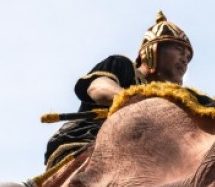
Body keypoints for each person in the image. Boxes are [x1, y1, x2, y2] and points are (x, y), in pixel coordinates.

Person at [44, 11, 193, 166]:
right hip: (88, 140)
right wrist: (142, 103)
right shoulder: (123, 66)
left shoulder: (170, 99)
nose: (185, 60)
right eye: (179, 50)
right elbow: (98, 89)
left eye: (188, 57)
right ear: (153, 50)